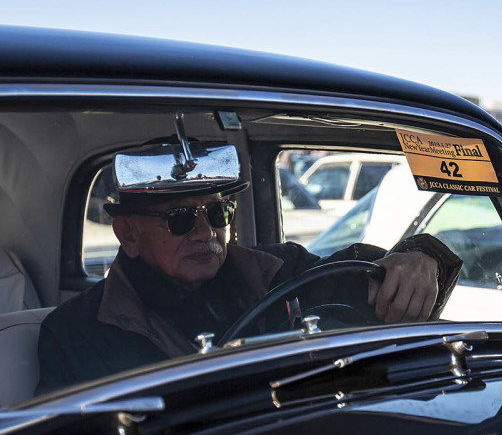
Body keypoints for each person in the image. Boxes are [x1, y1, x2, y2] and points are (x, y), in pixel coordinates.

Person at [36, 160, 462, 395]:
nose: (206, 232)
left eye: (218, 212)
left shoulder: (279, 272)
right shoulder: (76, 332)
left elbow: (366, 280)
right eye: (181, 219)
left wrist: (420, 257)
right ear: (128, 234)